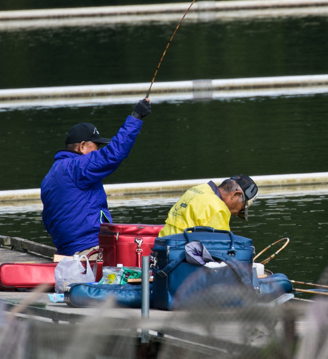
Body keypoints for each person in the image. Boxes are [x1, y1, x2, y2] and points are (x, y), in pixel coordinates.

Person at [41, 99, 151, 257]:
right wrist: (136, 117)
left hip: (67, 251)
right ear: (82, 146)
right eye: (96, 147)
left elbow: (48, 220)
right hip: (89, 249)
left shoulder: (51, 175)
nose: (98, 151)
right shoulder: (76, 167)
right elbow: (112, 154)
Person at [160, 174, 258, 236]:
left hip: (163, 245)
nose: (236, 213)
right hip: (179, 257)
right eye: (241, 209)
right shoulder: (218, 209)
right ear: (236, 194)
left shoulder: (199, 189)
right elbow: (221, 248)